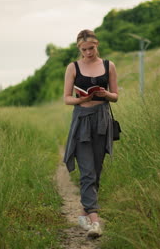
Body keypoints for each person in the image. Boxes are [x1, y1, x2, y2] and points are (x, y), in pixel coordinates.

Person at [63, 29, 118, 238]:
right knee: (87, 171)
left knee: (96, 170)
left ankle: (83, 215)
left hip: (102, 120)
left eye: (91, 48)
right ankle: (95, 222)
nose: (88, 53)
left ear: (97, 45)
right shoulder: (73, 67)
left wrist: (106, 94)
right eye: (84, 49)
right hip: (82, 120)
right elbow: (67, 98)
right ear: (79, 49)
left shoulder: (108, 65)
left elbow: (116, 96)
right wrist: (81, 100)